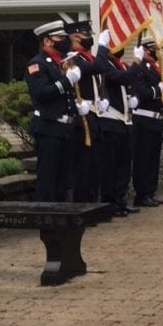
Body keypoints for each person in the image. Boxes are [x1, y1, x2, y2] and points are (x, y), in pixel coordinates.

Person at [24, 20, 79, 203]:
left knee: (63, 179)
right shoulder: (37, 64)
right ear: (47, 41)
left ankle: (60, 220)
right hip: (48, 127)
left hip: (65, 128)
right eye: (59, 38)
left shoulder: (59, 64)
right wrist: (66, 81)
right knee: (48, 178)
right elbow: (42, 94)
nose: (64, 41)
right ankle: (46, 217)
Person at [65, 21, 107, 203]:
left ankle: (93, 203)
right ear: (75, 37)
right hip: (81, 118)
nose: (90, 39)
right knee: (83, 166)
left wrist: (104, 99)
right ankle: (82, 204)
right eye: (86, 35)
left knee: (96, 165)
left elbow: (98, 78)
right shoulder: (72, 59)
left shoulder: (87, 58)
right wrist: (103, 47)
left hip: (95, 115)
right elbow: (99, 67)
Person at [130, 32, 163, 209]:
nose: (158, 53)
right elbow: (143, 93)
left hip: (156, 121)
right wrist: (158, 88)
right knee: (143, 159)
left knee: (153, 159)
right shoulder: (139, 68)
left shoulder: (156, 69)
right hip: (143, 120)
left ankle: (150, 191)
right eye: (155, 50)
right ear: (146, 51)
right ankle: (142, 194)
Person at [98, 43, 139, 217]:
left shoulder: (121, 64)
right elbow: (121, 79)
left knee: (123, 166)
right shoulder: (106, 65)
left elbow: (130, 83)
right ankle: (110, 203)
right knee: (111, 166)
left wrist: (134, 98)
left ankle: (120, 200)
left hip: (125, 121)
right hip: (111, 120)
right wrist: (137, 61)